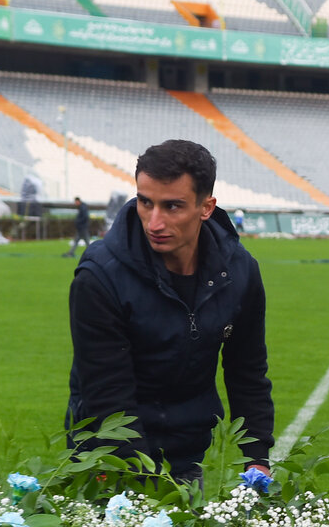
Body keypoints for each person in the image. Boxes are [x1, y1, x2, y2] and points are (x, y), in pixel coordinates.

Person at [66, 139, 274, 480]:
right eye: (145, 203)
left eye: (172, 206)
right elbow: (108, 395)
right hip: (108, 458)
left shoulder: (239, 272)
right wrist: (149, 487)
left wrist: (257, 457)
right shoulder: (100, 275)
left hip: (188, 454)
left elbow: (247, 371)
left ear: (206, 207)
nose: (154, 222)